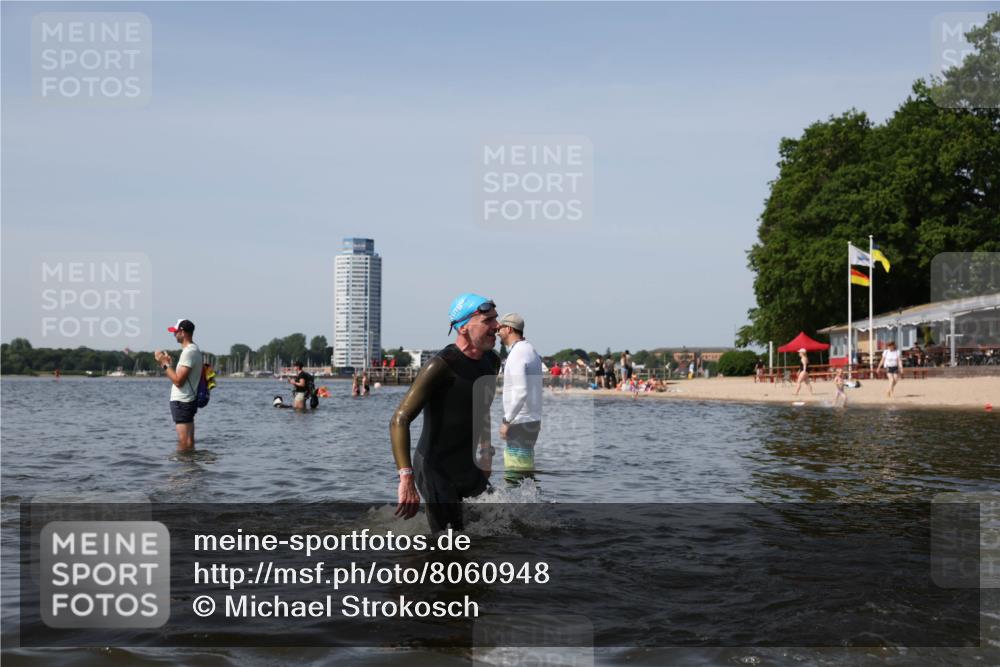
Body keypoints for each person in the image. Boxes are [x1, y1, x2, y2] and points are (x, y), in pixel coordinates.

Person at [390, 293, 500, 532]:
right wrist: (406, 478)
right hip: (435, 468)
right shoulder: (440, 366)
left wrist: (486, 451)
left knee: (498, 526)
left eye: (496, 318)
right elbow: (400, 419)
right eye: (488, 321)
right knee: (448, 544)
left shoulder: (492, 361)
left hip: (469, 466)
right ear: (463, 328)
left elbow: (483, 410)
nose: (497, 326)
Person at [497, 313, 543, 483]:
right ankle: (532, 506)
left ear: (508, 329)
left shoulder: (517, 353)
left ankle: (514, 508)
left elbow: (522, 391)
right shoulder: (530, 350)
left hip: (519, 420)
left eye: (500, 329)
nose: (497, 333)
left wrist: (506, 420)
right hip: (531, 419)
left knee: (514, 475)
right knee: (526, 474)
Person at [154, 319, 203, 451]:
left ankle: (183, 470)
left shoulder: (189, 352)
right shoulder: (194, 350)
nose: (174, 335)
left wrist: (164, 364)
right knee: (189, 441)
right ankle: (190, 469)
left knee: (184, 442)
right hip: (188, 400)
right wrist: (169, 365)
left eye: (175, 332)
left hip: (182, 401)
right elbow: (183, 377)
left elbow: (178, 381)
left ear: (182, 332)